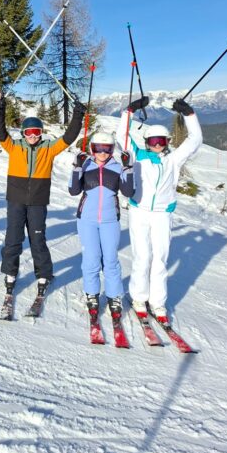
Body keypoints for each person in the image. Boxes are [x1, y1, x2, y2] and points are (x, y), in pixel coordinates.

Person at [117, 96, 202, 323]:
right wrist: (130, 110)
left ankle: (157, 302)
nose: (157, 145)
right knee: (142, 256)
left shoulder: (173, 159)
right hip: (139, 211)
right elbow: (121, 136)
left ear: (167, 142)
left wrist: (189, 114)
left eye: (161, 141)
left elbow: (195, 140)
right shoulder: (136, 156)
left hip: (163, 214)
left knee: (160, 259)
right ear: (146, 141)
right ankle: (138, 297)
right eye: (153, 140)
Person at [0, 95, 85, 297]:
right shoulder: (14, 146)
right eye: (29, 132)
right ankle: (10, 273)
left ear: (41, 133)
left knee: (38, 239)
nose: (33, 136)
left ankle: (43, 274)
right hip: (16, 200)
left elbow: (68, 137)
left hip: (37, 201)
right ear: (23, 133)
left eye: (36, 132)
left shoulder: (48, 149)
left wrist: (78, 115)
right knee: (13, 238)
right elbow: (0, 134)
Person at [68, 131, 135, 320]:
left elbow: (129, 192)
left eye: (107, 149)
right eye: (98, 148)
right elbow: (73, 190)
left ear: (112, 150)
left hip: (110, 221)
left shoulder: (117, 167)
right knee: (91, 258)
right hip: (87, 221)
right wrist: (76, 167)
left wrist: (128, 167)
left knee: (111, 260)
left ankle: (114, 296)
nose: (102, 153)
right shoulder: (85, 165)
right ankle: (92, 294)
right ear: (92, 148)